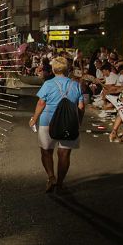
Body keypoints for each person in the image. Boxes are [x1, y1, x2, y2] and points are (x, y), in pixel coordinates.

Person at [29, 57, 85, 193]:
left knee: (46, 151)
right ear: (67, 69)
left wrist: (34, 118)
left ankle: (51, 177)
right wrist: (78, 122)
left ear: (53, 70)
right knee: (64, 154)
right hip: (69, 124)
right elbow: (81, 106)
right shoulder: (75, 85)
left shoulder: (48, 84)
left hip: (48, 122)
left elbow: (41, 103)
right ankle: (60, 183)